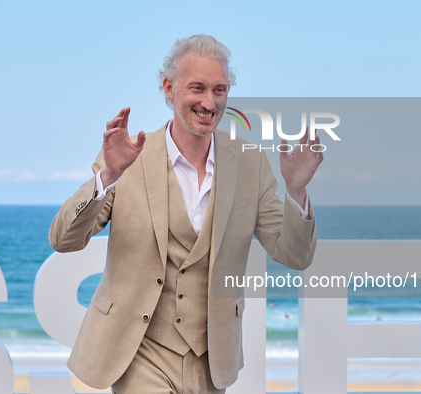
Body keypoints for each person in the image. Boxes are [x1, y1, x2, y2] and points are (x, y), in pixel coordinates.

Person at [50, 34, 321, 393]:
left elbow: (295, 254)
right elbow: (64, 239)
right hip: (138, 351)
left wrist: (296, 191)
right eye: (198, 88)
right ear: (169, 88)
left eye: (220, 90)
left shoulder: (250, 163)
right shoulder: (127, 158)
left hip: (211, 358)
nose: (209, 102)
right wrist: (108, 177)